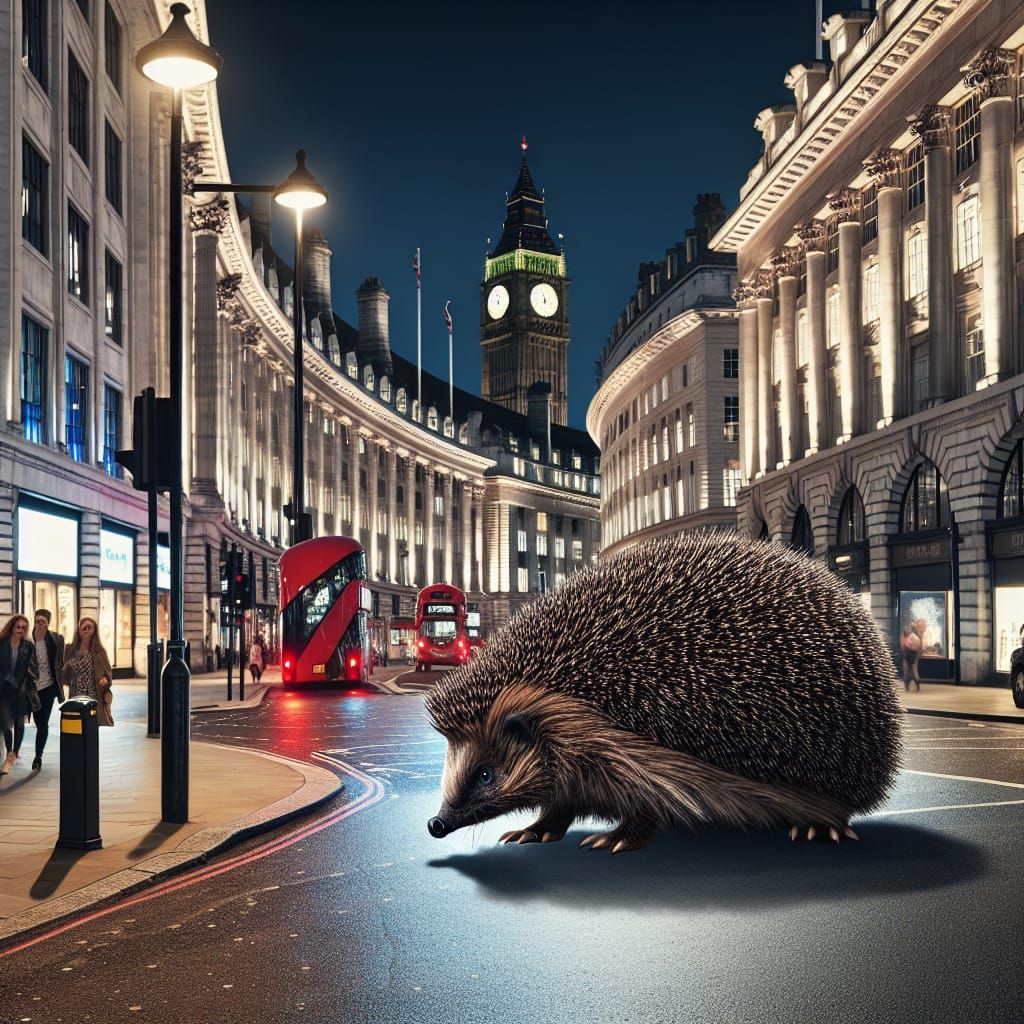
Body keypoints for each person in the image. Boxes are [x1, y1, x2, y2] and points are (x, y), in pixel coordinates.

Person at [0, 614, 40, 774]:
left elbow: (34, 669)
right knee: (5, 723)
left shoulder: (28, 646)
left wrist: (27, 680)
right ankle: (9, 751)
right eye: (18, 627)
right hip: (3, 690)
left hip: (21, 690)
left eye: (24, 628)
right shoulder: (2, 643)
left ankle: (13, 754)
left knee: (19, 723)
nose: (20, 630)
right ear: (12, 627)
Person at [61, 617, 114, 727]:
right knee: (76, 725)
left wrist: (106, 679)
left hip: (93, 694)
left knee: (91, 726)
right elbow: (63, 676)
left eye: (89, 628)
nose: (86, 630)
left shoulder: (99, 651)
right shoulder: (70, 649)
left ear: (94, 631)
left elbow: (108, 672)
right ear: (79, 629)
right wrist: (67, 665)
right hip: (75, 693)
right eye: (84, 628)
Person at [30, 609, 65, 771]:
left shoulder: (56, 639)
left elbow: (60, 663)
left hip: (48, 687)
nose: (39, 624)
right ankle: (13, 751)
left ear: (47, 623)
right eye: (37, 621)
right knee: (36, 721)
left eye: (42, 621)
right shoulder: (28, 639)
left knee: (42, 723)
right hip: (31, 689)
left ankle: (38, 757)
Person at [900, 624, 922, 692]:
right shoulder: (917, 636)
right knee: (914, 671)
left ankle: (907, 687)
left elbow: (904, 645)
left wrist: (907, 646)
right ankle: (917, 686)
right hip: (913, 655)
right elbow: (919, 647)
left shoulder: (909, 636)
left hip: (907, 654)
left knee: (906, 671)